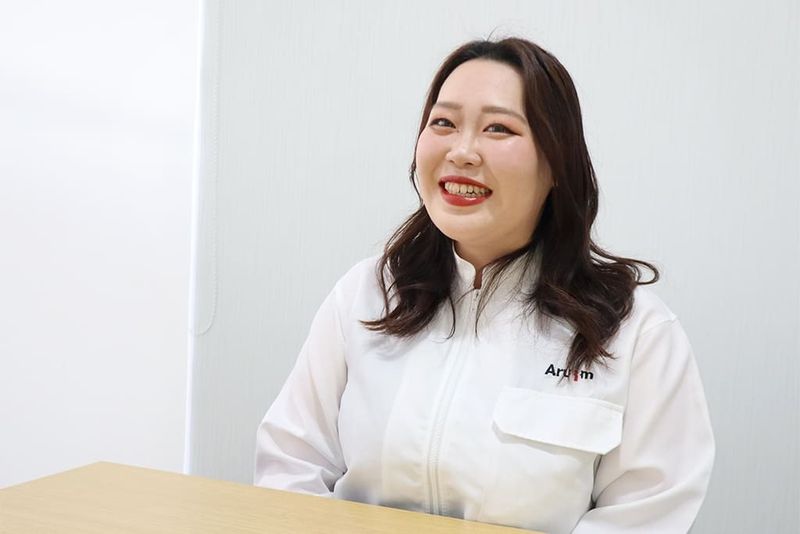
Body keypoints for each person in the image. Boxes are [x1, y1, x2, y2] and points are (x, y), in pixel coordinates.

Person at [254, 37, 715, 534]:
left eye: (499, 128)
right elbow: (291, 467)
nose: (462, 151)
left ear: (556, 164)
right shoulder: (366, 295)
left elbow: (648, 513)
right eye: (443, 123)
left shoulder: (634, 330)